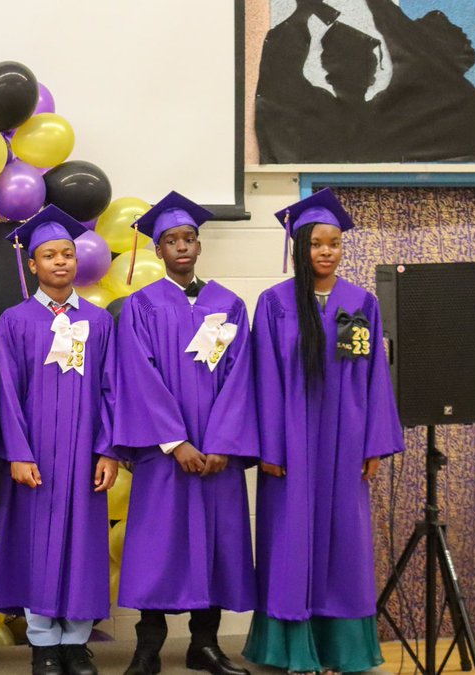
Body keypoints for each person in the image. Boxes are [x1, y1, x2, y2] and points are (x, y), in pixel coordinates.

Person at [243, 189, 405, 674]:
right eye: (317, 243)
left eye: (334, 243)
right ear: (299, 248)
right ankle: (291, 650)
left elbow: (374, 375)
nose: (327, 251)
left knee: (345, 542)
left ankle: (341, 651)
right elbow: (263, 379)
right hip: (290, 446)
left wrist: (375, 442)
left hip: (345, 441)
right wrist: (270, 445)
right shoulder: (273, 304)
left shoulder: (362, 303)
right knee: (290, 541)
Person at [112, 193, 258, 675]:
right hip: (166, 455)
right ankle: (149, 647)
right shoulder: (140, 307)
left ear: (199, 245)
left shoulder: (230, 305)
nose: (181, 247)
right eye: (171, 240)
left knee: (215, 544)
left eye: (189, 239)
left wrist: (220, 443)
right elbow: (138, 376)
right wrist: (177, 442)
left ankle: (205, 645)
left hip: (217, 454)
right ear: (158, 250)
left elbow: (241, 378)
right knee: (158, 548)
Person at [0, 206, 118, 675]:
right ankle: (43, 642)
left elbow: (111, 389)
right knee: (36, 544)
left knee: (82, 545)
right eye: (49, 255)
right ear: (32, 264)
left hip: (84, 455)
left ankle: (76, 643)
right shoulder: (15, 321)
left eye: (67, 253)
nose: (60, 262)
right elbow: (4, 392)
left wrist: (108, 451)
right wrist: (18, 453)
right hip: (36, 456)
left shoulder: (99, 323)